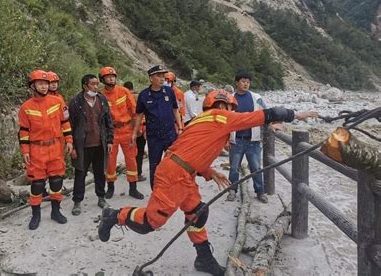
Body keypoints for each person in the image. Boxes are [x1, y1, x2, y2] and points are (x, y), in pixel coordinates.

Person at [98, 90, 317, 275]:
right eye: (230, 108)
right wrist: (295, 114)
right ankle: (115, 215)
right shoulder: (221, 117)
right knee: (150, 223)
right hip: (174, 176)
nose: (230, 111)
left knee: (198, 212)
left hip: (182, 173)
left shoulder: (199, 121)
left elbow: (189, 152)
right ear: (227, 106)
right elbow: (262, 115)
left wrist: (209, 171)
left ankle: (203, 258)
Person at [18, 70, 73, 230]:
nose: (44, 86)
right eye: (40, 84)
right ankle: (36, 215)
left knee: (57, 182)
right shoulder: (25, 108)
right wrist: (25, 151)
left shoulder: (57, 102)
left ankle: (56, 211)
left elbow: (65, 122)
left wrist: (69, 140)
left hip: (56, 147)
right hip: (37, 150)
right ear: (32, 86)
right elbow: (23, 132)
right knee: (37, 185)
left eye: (46, 83)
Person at [68, 74, 114, 216]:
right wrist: (73, 146)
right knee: (80, 173)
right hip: (82, 145)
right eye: (93, 84)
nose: (96, 86)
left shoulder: (102, 99)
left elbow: (108, 122)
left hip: (99, 143)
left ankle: (101, 197)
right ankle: (77, 201)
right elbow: (69, 125)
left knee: (100, 173)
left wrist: (110, 140)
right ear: (85, 86)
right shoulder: (76, 102)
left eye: (97, 84)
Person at [132, 65, 183, 189]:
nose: (162, 79)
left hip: (170, 134)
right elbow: (139, 116)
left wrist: (180, 128)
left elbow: (175, 110)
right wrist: (135, 133)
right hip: (154, 136)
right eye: (158, 76)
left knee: (174, 162)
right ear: (151, 78)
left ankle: (173, 187)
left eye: (163, 76)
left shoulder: (169, 92)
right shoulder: (144, 95)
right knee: (154, 165)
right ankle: (156, 190)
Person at [99, 67, 144, 200]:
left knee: (131, 159)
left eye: (113, 76)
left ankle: (133, 188)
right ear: (103, 80)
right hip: (111, 132)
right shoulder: (101, 96)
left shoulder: (124, 91)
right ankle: (110, 188)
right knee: (111, 161)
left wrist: (138, 128)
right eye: (108, 77)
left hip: (126, 130)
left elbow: (134, 111)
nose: (111, 78)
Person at [227, 71, 268, 203]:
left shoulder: (256, 97)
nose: (246, 84)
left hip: (253, 140)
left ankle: (260, 192)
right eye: (243, 81)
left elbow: (265, 112)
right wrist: (225, 139)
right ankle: (232, 190)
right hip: (236, 139)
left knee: (256, 167)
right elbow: (225, 119)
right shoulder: (230, 98)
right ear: (237, 83)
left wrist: (272, 123)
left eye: (248, 82)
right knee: (234, 167)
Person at [123, 81, 147, 182]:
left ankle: (131, 172)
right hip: (140, 127)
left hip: (128, 129)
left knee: (130, 153)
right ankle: (138, 173)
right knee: (140, 152)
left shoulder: (123, 98)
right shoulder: (140, 96)